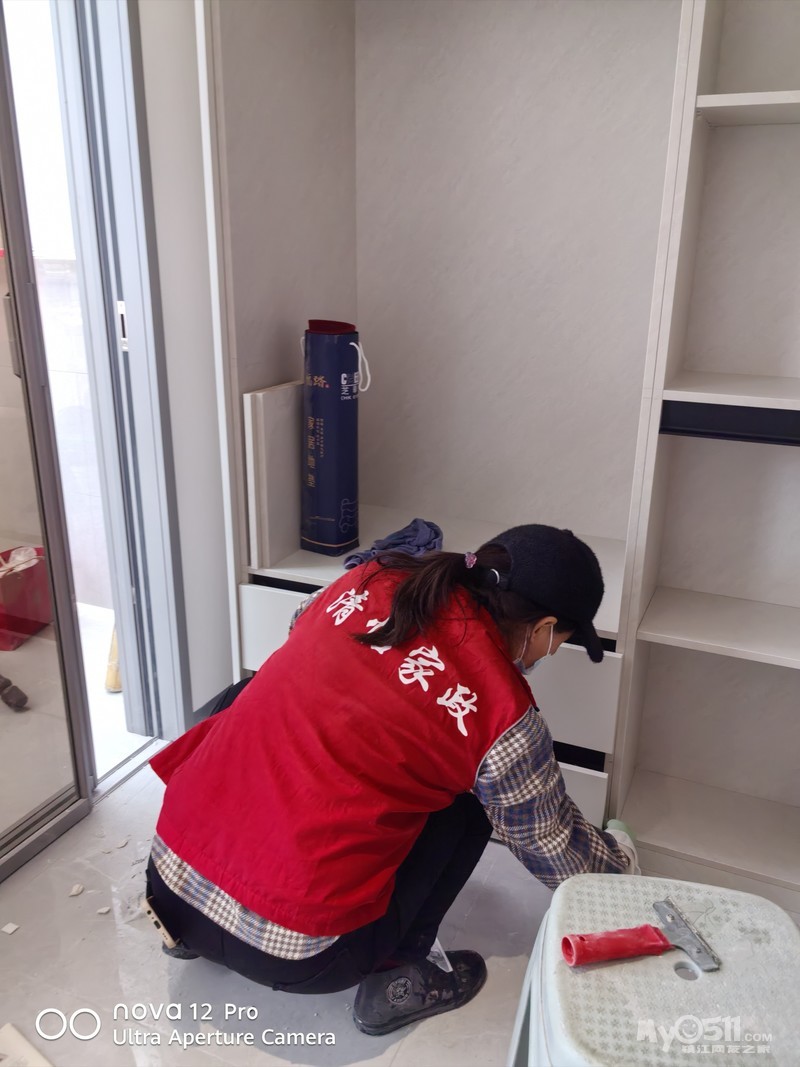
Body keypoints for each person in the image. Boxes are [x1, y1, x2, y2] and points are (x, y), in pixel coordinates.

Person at [145, 524, 638, 1036]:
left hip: (167, 889)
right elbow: (554, 848)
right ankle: (395, 977)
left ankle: (193, 923)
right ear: (544, 627)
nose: (547, 655)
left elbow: (300, 628)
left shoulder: (371, 578)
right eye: (558, 642)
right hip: (300, 958)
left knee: (250, 693)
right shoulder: (502, 717)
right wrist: (620, 861)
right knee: (470, 801)